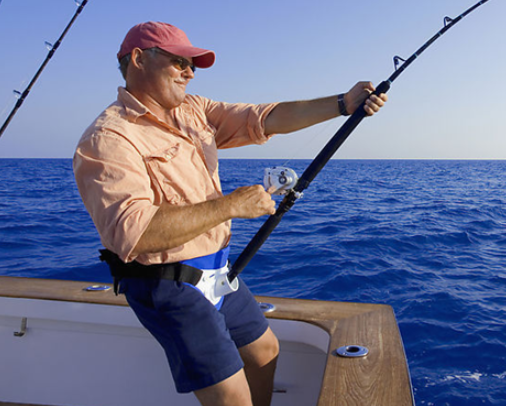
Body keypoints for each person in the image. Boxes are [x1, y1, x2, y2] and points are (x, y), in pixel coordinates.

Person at [73, 21, 387, 406]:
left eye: (192, 64)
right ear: (139, 59)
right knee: (231, 397)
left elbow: (263, 117)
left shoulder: (194, 110)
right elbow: (133, 234)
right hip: (166, 283)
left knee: (265, 351)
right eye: (179, 61)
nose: (190, 72)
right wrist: (232, 206)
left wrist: (343, 104)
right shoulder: (108, 139)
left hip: (219, 270)